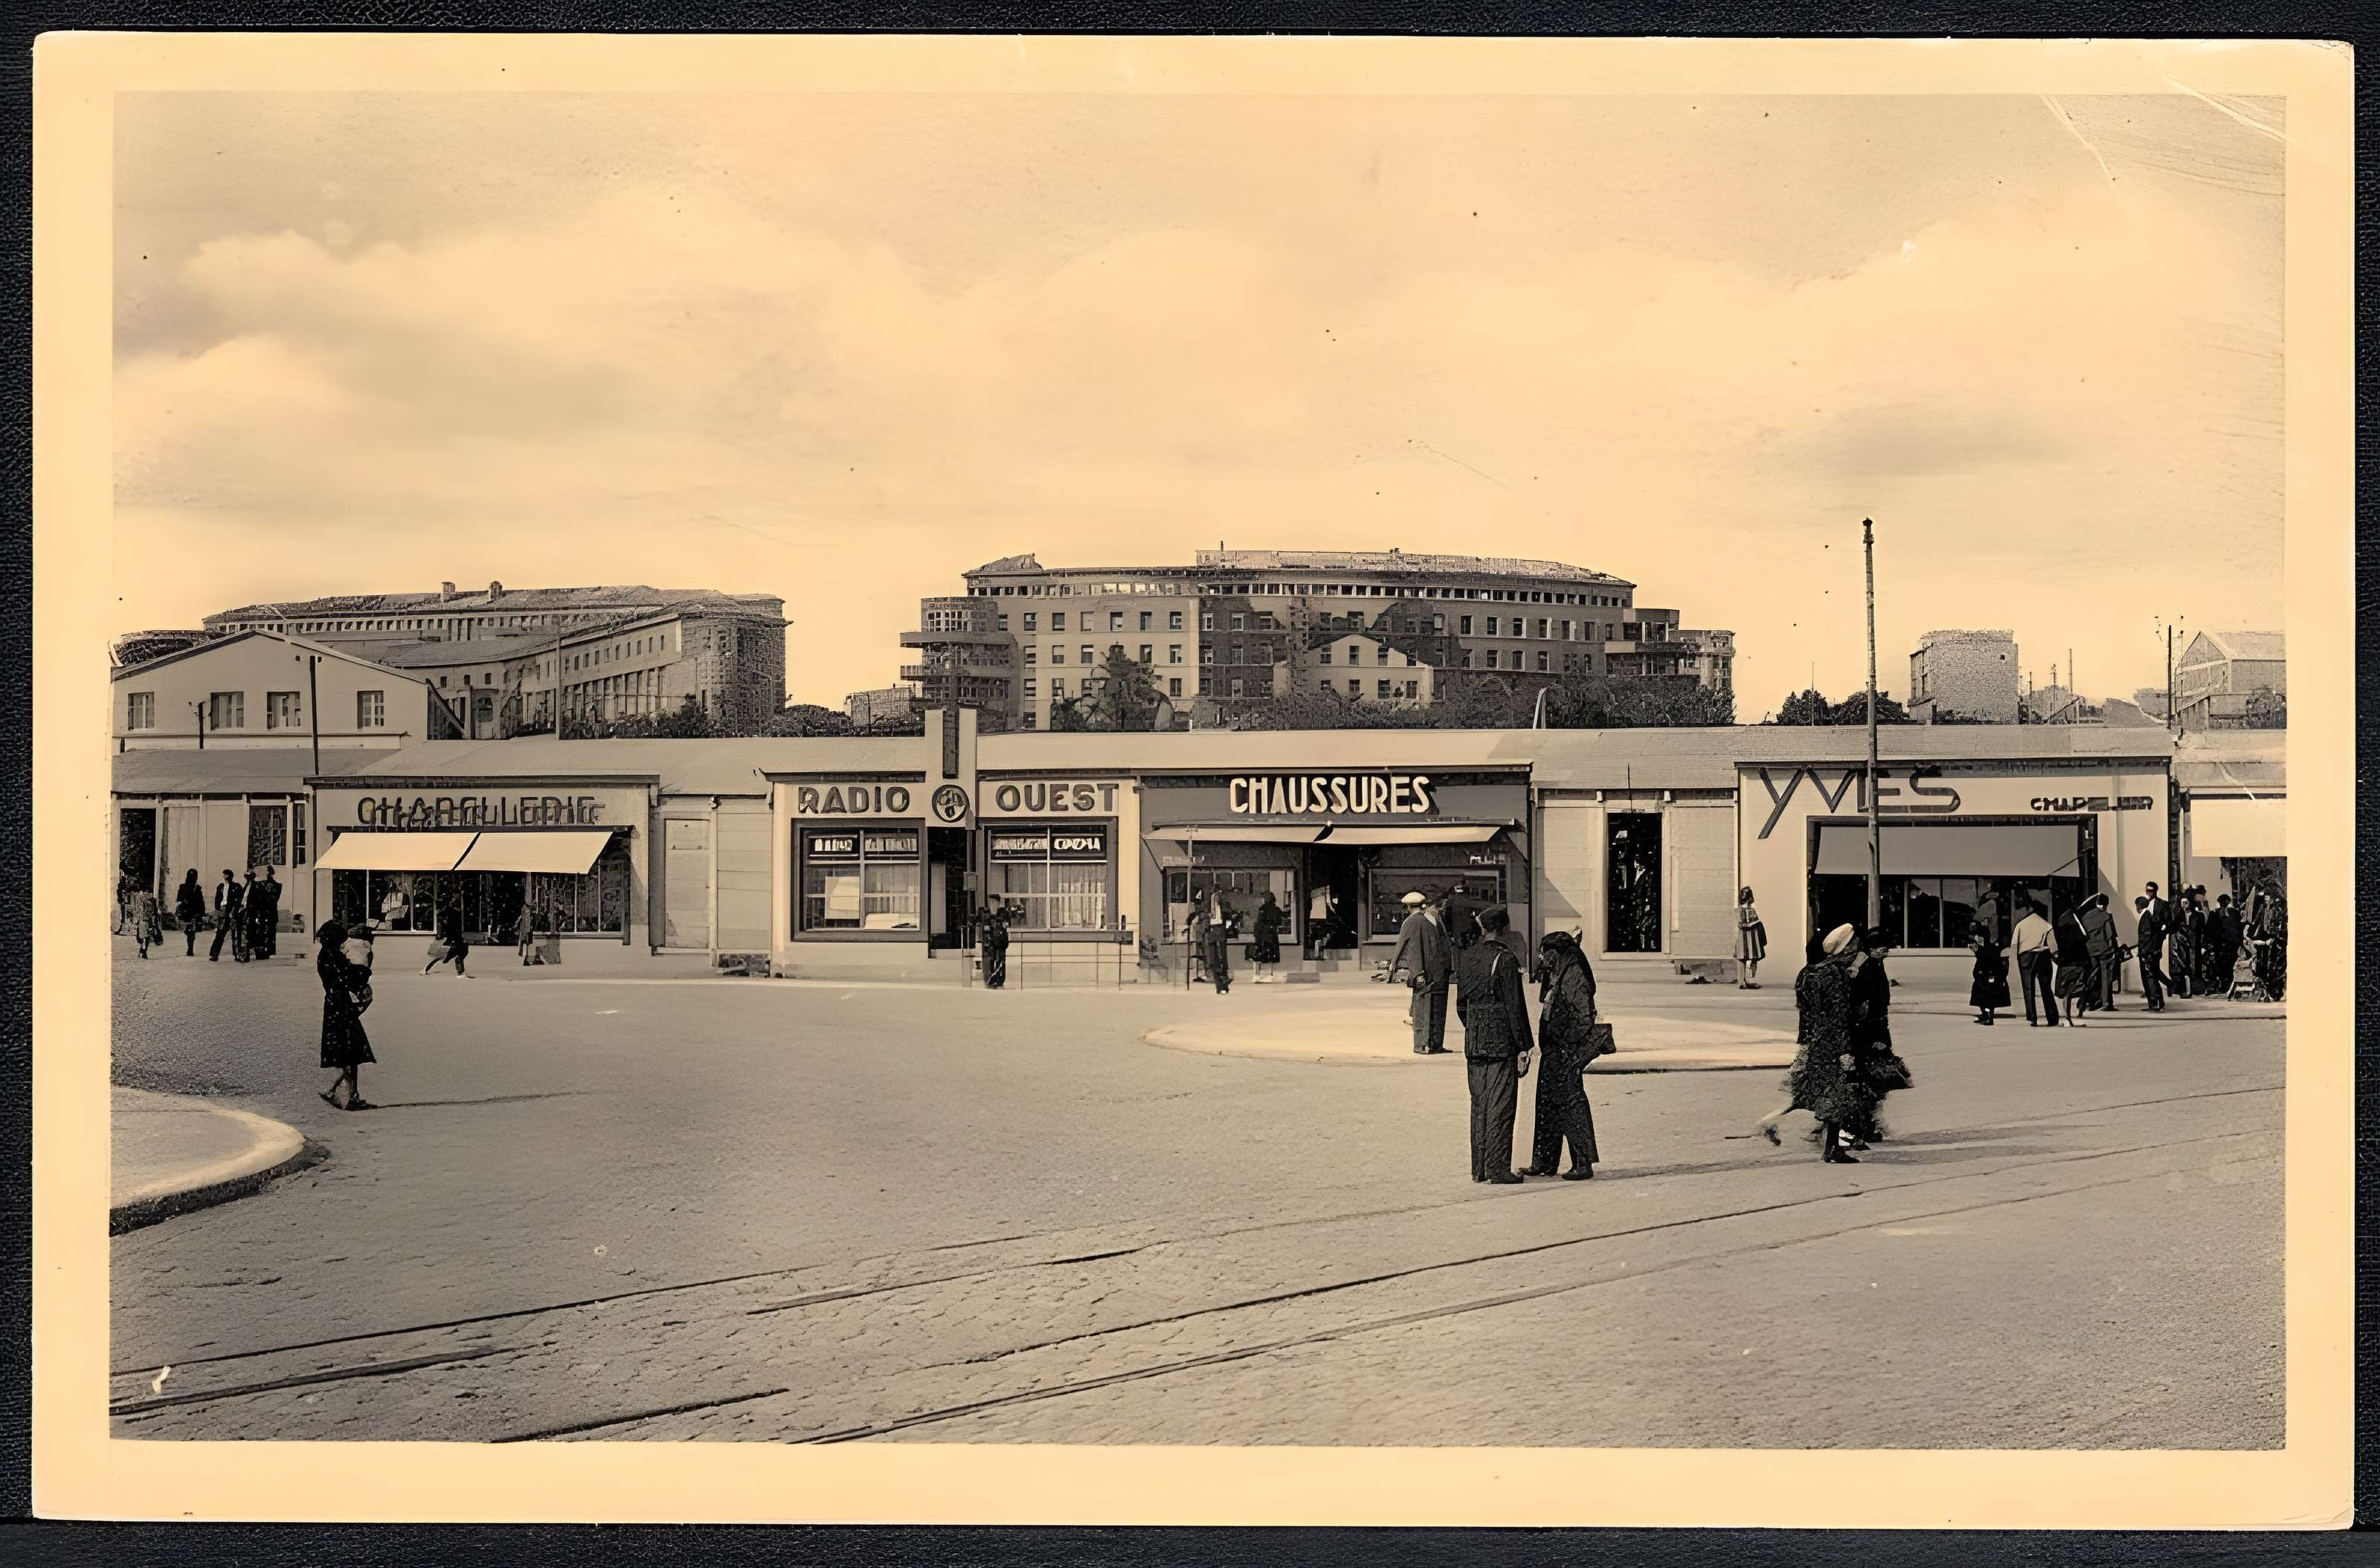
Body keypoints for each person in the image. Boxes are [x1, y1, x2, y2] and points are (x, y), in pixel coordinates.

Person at [1454, 905, 1531, 1183]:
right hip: (1501, 1041)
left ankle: (1480, 1169)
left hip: (1474, 1039)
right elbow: (1515, 1005)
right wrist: (1524, 1044)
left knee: (1479, 1103)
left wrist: (1475, 1025)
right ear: (1503, 929)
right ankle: (1498, 1168)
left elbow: (1461, 1006)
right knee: (1501, 1104)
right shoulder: (1506, 959)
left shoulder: (1467, 957)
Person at [1782, 925, 1867, 1163]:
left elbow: (1805, 1013)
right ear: (1845, 949)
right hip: (1833, 1043)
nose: (1857, 949)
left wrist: (1806, 1042)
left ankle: (1834, 1147)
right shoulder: (1836, 976)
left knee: (1829, 1095)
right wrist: (1844, 1050)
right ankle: (1834, 1149)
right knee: (1838, 1096)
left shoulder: (1808, 974)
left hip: (1817, 1042)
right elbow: (1839, 1016)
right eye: (1854, 945)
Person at [1522, 931, 1601, 1180]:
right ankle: (1544, 1161)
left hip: (1565, 1052)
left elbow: (1583, 1017)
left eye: (1545, 952)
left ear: (1557, 953)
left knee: (1571, 1107)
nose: (1542, 957)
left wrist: (1568, 1045)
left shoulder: (1574, 975)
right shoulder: (1557, 974)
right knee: (1546, 1106)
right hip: (1553, 1051)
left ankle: (1583, 1162)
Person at [315, 920, 378, 1111]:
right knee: (351, 1052)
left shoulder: (326, 954)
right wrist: (365, 971)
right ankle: (347, 1095)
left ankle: (343, 1093)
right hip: (341, 1006)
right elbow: (349, 976)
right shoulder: (334, 955)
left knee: (346, 1053)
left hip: (334, 1005)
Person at [1387, 889, 1453, 1054]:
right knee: (1435, 1009)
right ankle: (1432, 1044)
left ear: (1408, 906)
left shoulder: (1414, 921)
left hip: (1425, 972)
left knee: (1423, 1007)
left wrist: (1394, 966)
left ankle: (1424, 1044)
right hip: (1436, 971)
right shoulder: (1430, 920)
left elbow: (1404, 946)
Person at [2013, 899, 2059, 1026]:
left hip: (2026, 957)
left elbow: (2014, 946)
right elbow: (2053, 946)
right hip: (2043, 955)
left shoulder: (2020, 925)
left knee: (2028, 988)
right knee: (2046, 989)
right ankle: (2052, 1018)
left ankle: (2032, 1017)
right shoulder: (2046, 925)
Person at [2052, 900, 2096, 1027]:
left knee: (2066, 994)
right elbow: (2085, 945)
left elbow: (2058, 951)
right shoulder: (2078, 934)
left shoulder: (2060, 935)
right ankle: (2074, 1015)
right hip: (2078, 965)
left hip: (2065, 966)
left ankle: (2067, 1018)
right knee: (2075, 991)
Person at [2134, 883, 2172, 1012]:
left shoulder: (2146, 917)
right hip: (2150, 949)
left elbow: (2148, 936)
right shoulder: (2146, 916)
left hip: (2149, 950)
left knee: (2150, 976)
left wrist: (2145, 953)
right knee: (2153, 975)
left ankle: (2154, 1003)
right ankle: (2158, 1001)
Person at [2079, 892, 2120, 1012]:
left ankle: (2086, 1001)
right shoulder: (2107, 916)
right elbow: (2110, 935)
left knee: (2092, 977)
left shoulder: (2086, 916)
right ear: (2106, 904)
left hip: (2091, 950)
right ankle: (2107, 1004)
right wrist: (2114, 950)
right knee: (2106, 977)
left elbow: (2084, 934)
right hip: (2106, 950)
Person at [1969, 922, 2010, 1025]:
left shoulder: (1988, 947)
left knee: (1987, 994)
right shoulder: (1991, 946)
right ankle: (1986, 1014)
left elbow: (1987, 957)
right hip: (1987, 972)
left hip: (1988, 972)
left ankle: (1987, 1016)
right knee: (1985, 994)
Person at [423, 893, 472, 977]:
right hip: (449, 938)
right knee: (444, 956)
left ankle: (461, 971)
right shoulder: (449, 912)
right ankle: (425, 970)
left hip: (453, 937)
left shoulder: (450, 912)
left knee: (461, 951)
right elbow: (446, 927)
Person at [2210, 893, 2245, 997]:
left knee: (2229, 965)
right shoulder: (2215, 913)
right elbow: (2211, 929)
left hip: (2230, 944)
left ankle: (2228, 985)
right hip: (2222, 944)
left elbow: (2239, 928)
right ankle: (2225, 986)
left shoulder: (2233, 913)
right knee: (2222, 966)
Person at [2167, 888, 2199, 998]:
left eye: (2187, 902)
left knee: (2188, 967)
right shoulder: (2178, 920)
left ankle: (2185, 989)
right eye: (2183, 903)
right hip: (2179, 947)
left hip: (2189, 946)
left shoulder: (2195, 916)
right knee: (2181, 967)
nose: (2185, 905)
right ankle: (2178, 989)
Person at [209, 868, 245, 963]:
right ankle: (214, 954)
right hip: (223, 912)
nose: (224, 876)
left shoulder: (236, 886)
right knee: (220, 933)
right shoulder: (221, 887)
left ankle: (237, 954)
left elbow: (239, 900)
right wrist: (218, 910)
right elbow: (217, 900)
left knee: (235, 934)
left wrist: (235, 911)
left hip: (232, 912)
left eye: (225, 874)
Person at [1735, 886, 1767, 989]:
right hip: (1750, 936)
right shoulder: (1748, 909)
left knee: (1743, 959)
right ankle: (1749, 980)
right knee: (1751, 958)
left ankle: (1743, 981)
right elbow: (1747, 923)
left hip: (1743, 936)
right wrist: (1758, 923)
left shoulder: (1740, 909)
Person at [1250, 890, 1286, 981]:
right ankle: (1270, 974)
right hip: (1272, 934)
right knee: (1272, 954)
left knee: (1261, 953)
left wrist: (1257, 934)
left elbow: (1259, 922)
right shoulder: (1276, 910)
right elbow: (1282, 917)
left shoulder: (1262, 909)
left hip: (1263, 935)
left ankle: (1259, 974)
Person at [980, 893, 1012, 989]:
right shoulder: (986, 913)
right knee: (990, 962)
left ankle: (999, 982)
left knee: (1001, 962)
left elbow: (1007, 925)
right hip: (989, 943)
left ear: (998, 903)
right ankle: (990, 981)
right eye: (991, 902)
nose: (992, 904)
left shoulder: (1004, 913)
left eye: (994, 902)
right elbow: (983, 927)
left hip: (1001, 943)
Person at [250, 868, 283, 960]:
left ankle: (266, 951)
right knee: (260, 933)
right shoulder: (256, 884)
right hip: (261, 913)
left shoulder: (276, 886)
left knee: (268, 933)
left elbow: (273, 899)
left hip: (268, 913)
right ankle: (261, 951)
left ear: (268, 873)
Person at [1204, 896, 1235, 994]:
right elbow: (1205, 921)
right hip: (1212, 936)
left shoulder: (1224, 909)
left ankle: (1224, 985)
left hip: (1221, 935)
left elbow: (1229, 920)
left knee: (1222, 961)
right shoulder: (1208, 909)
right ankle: (1219, 985)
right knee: (1214, 962)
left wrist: (1227, 929)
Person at [173, 869, 206, 957]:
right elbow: (201, 902)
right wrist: (202, 914)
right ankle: (190, 948)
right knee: (192, 931)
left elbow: (179, 900)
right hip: (194, 913)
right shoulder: (198, 888)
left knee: (188, 930)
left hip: (185, 913)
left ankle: (190, 948)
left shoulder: (182, 887)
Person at [130, 884, 161, 959]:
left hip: (140, 919)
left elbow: (133, 908)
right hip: (147, 919)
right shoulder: (149, 898)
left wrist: (135, 917)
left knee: (142, 936)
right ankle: (143, 952)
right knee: (146, 937)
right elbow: (153, 910)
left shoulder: (136, 896)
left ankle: (142, 952)